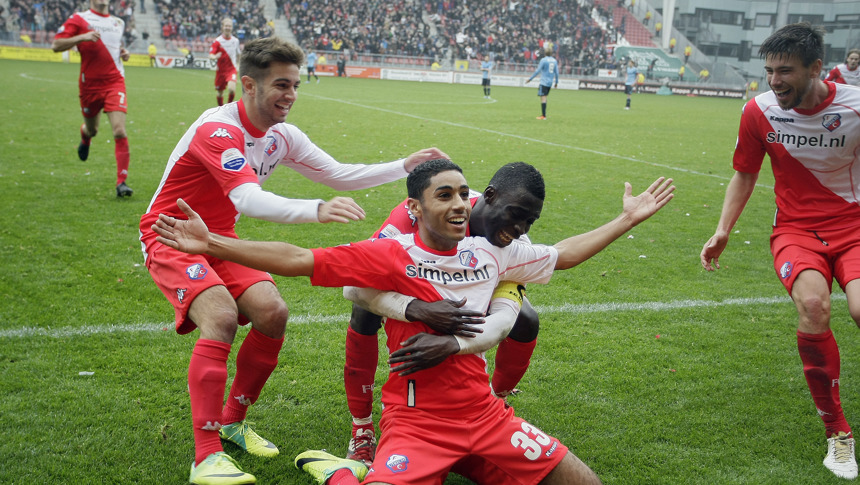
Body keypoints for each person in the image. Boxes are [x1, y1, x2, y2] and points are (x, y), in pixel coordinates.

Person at [153, 159, 675, 485]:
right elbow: (297, 258)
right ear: (415, 207)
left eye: (461, 194)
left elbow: (562, 255)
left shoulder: (494, 253)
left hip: (487, 416)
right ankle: (339, 471)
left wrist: (627, 219)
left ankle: (460, 460)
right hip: (417, 422)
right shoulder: (390, 254)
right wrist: (214, 243)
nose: (457, 204)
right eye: (444, 195)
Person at [138, 36, 447, 485]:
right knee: (222, 316)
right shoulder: (217, 130)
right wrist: (315, 210)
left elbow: (336, 173)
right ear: (248, 85)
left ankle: (232, 422)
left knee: (272, 312)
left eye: (296, 85)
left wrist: (405, 165)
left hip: (216, 237)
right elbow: (249, 197)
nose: (291, 96)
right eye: (281, 85)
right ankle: (206, 457)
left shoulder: (281, 136)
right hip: (171, 233)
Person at [700, 23, 860, 481]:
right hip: (795, 230)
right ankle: (838, 435)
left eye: (785, 70)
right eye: (769, 70)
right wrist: (723, 229)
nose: (774, 80)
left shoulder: (854, 107)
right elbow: (745, 174)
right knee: (813, 306)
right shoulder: (759, 112)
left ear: (815, 68)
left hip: (854, 228)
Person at [340, 162, 548, 467]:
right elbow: (356, 284)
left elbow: (505, 316)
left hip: (469, 286)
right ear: (489, 197)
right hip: (413, 283)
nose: (519, 229)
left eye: (528, 221)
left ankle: (496, 400)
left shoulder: (514, 240)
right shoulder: (411, 216)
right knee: (363, 312)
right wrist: (415, 308)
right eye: (516, 216)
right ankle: (362, 427)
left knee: (526, 321)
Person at [51, 0, 134, 198]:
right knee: (92, 129)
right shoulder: (79, 19)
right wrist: (82, 38)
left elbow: (113, 48)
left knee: (120, 130)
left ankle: (121, 182)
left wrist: (123, 53)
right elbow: (56, 45)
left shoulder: (118, 23)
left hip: (114, 82)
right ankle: (85, 136)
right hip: (89, 86)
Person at [210, 18, 241, 106]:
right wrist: (215, 56)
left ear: (232, 28)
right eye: (226, 26)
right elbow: (211, 55)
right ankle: (221, 109)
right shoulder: (217, 41)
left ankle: (228, 107)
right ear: (222, 27)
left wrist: (238, 65)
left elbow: (239, 54)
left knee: (232, 89)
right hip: (220, 71)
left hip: (231, 69)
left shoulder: (235, 41)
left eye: (229, 26)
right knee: (220, 93)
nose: (228, 28)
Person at [525, 46, 559, 120]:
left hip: (544, 82)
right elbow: (557, 73)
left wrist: (530, 79)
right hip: (550, 82)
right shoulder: (554, 61)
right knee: (545, 97)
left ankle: (543, 116)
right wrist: (556, 83)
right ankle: (544, 115)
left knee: (543, 98)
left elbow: (538, 71)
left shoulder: (543, 60)